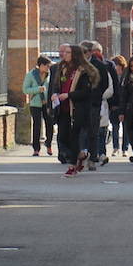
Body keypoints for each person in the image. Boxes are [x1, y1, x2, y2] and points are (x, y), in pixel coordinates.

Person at [51, 45, 100, 177]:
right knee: (62, 137)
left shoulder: (83, 71)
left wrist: (69, 95)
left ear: (75, 54)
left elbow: (86, 92)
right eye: (64, 52)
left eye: (68, 52)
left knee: (74, 137)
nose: (64, 55)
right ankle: (81, 155)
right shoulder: (61, 68)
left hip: (78, 108)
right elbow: (57, 85)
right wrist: (55, 94)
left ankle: (72, 166)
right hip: (63, 108)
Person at [79, 41, 110, 170]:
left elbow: (105, 83)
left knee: (93, 130)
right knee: (81, 130)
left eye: (85, 52)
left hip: (94, 102)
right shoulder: (78, 65)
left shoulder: (99, 66)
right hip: (80, 102)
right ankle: (82, 154)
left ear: (91, 52)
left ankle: (92, 157)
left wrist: (97, 94)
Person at [23, 55, 53, 157]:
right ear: (40, 65)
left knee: (49, 124)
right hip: (35, 104)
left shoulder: (50, 75)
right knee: (37, 125)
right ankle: (36, 149)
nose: (48, 68)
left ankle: (48, 144)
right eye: (47, 66)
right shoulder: (31, 75)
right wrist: (37, 89)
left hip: (47, 103)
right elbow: (25, 89)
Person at [48, 43, 69, 163]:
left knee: (68, 131)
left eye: (64, 51)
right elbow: (52, 86)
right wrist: (49, 105)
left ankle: (68, 152)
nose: (62, 54)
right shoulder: (55, 67)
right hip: (59, 105)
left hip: (70, 103)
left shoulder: (76, 68)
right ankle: (62, 153)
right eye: (60, 51)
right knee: (61, 130)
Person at [110, 55, 129, 157]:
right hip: (114, 106)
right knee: (115, 127)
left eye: (116, 65)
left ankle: (124, 148)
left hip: (124, 106)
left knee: (126, 128)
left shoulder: (126, 75)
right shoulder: (112, 76)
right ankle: (115, 147)